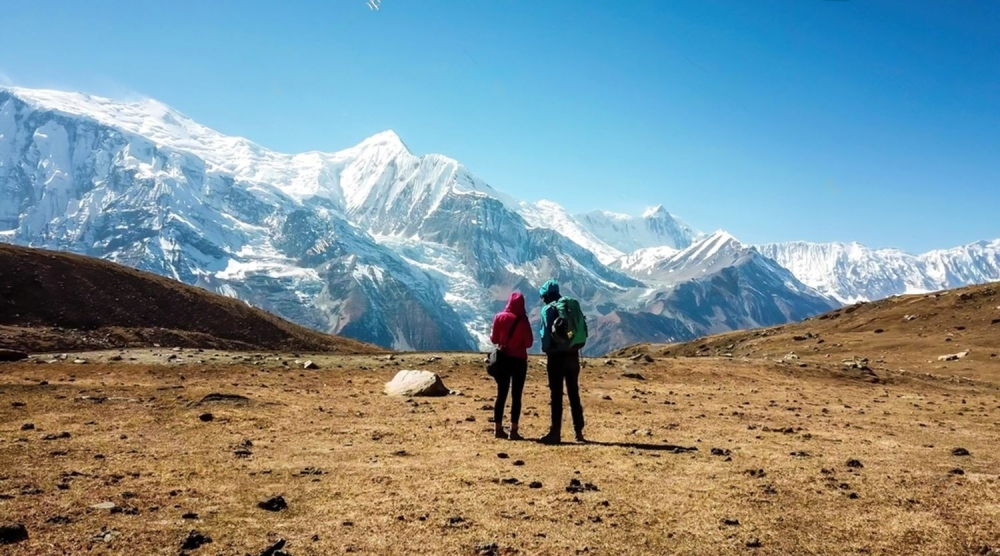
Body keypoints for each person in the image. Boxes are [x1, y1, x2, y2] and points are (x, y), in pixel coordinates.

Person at [537, 280, 586, 444]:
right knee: (574, 392)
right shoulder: (569, 306)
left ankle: (555, 433)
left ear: (546, 295)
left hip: (556, 358)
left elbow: (545, 337)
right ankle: (578, 432)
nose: (542, 300)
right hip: (573, 354)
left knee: (556, 395)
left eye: (542, 296)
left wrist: (548, 349)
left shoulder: (548, 310)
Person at [489, 292, 534, 440]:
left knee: (501, 394)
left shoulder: (499, 317)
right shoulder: (523, 320)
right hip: (519, 361)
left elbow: (494, 339)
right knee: (516, 396)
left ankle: (497, 428)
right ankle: (513, 430)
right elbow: (528, 343)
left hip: (503, 360)